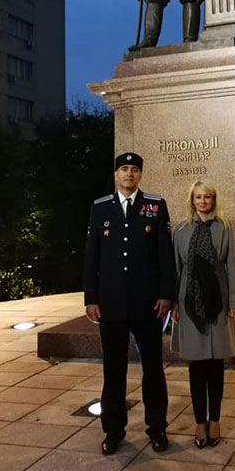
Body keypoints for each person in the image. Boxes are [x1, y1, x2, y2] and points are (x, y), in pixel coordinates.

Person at [84, 152, 176, 455]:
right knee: (113, 370)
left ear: (140, 175)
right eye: (124, 169)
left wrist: (166, 294)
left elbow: (165, 254)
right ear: (116, 174)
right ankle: (113, 430)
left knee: (153, 369)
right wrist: (91, 297)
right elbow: (91, 255)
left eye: (134, 169)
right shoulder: (100, 207)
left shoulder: (155, 206)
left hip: (147, 303)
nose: (129, 174)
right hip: (111, 304)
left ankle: (157, 427)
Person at [171, 180, 235, 448]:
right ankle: (199, 422)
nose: (203, 201)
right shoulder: (181, 230)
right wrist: (174, 304)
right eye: (198, 197)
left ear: (214, 199)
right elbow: (176, 269)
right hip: (190, 303)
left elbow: (232, 265)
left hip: (218, 301)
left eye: (208, 197)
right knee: (196, 366)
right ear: (192, 200)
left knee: (216, 366)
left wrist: (234, 300)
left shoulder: (224, 227)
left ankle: (215, 420)